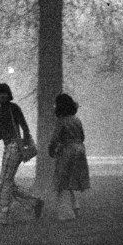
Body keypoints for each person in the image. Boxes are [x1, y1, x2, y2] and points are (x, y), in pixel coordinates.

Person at [0, 83, 44, 224]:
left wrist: (24, 144)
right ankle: (35, 201)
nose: (2, 95)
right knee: (9, 183)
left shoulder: (14, 108)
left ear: (8, 94)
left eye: (4, 93)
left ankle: (1, 217)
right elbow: (0, 133)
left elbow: (24, 126)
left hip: (14, 146)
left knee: (4, 182)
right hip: (8, 147)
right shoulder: (1, 111)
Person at [48, 93, 90, 221]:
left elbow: (55, 138)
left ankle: (65, 213)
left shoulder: (61, 121)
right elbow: (82, 137)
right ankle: (75, 208)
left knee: (62, 182)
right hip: (80, 150)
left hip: (67, 151)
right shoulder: (76, 119)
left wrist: (52, 150)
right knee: (70, 180)